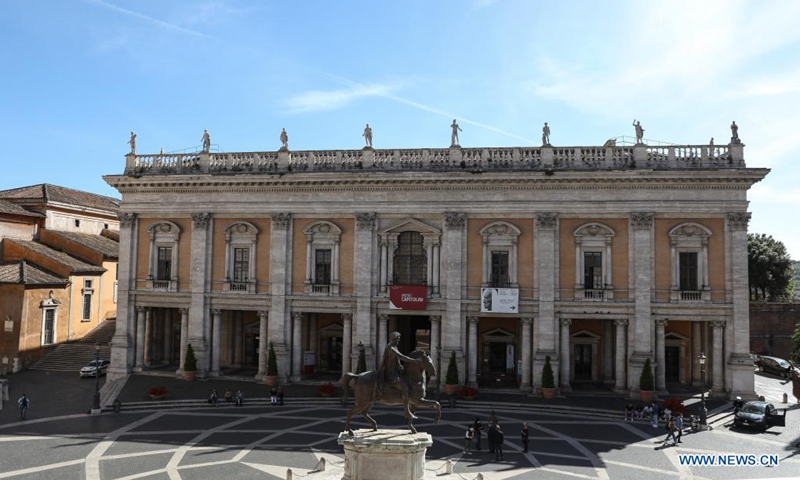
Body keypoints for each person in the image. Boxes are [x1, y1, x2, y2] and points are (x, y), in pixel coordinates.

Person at [376, 331, 422, 420]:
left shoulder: (394, 346)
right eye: (398, 339)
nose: (399, 340)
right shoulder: (391, 348)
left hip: (396, 371)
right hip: (391, 373)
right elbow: (401, 357)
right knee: (405, 388)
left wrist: (400, 366)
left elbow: (396, 360)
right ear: (395, 339)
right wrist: (414, 361)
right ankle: (407, 411)